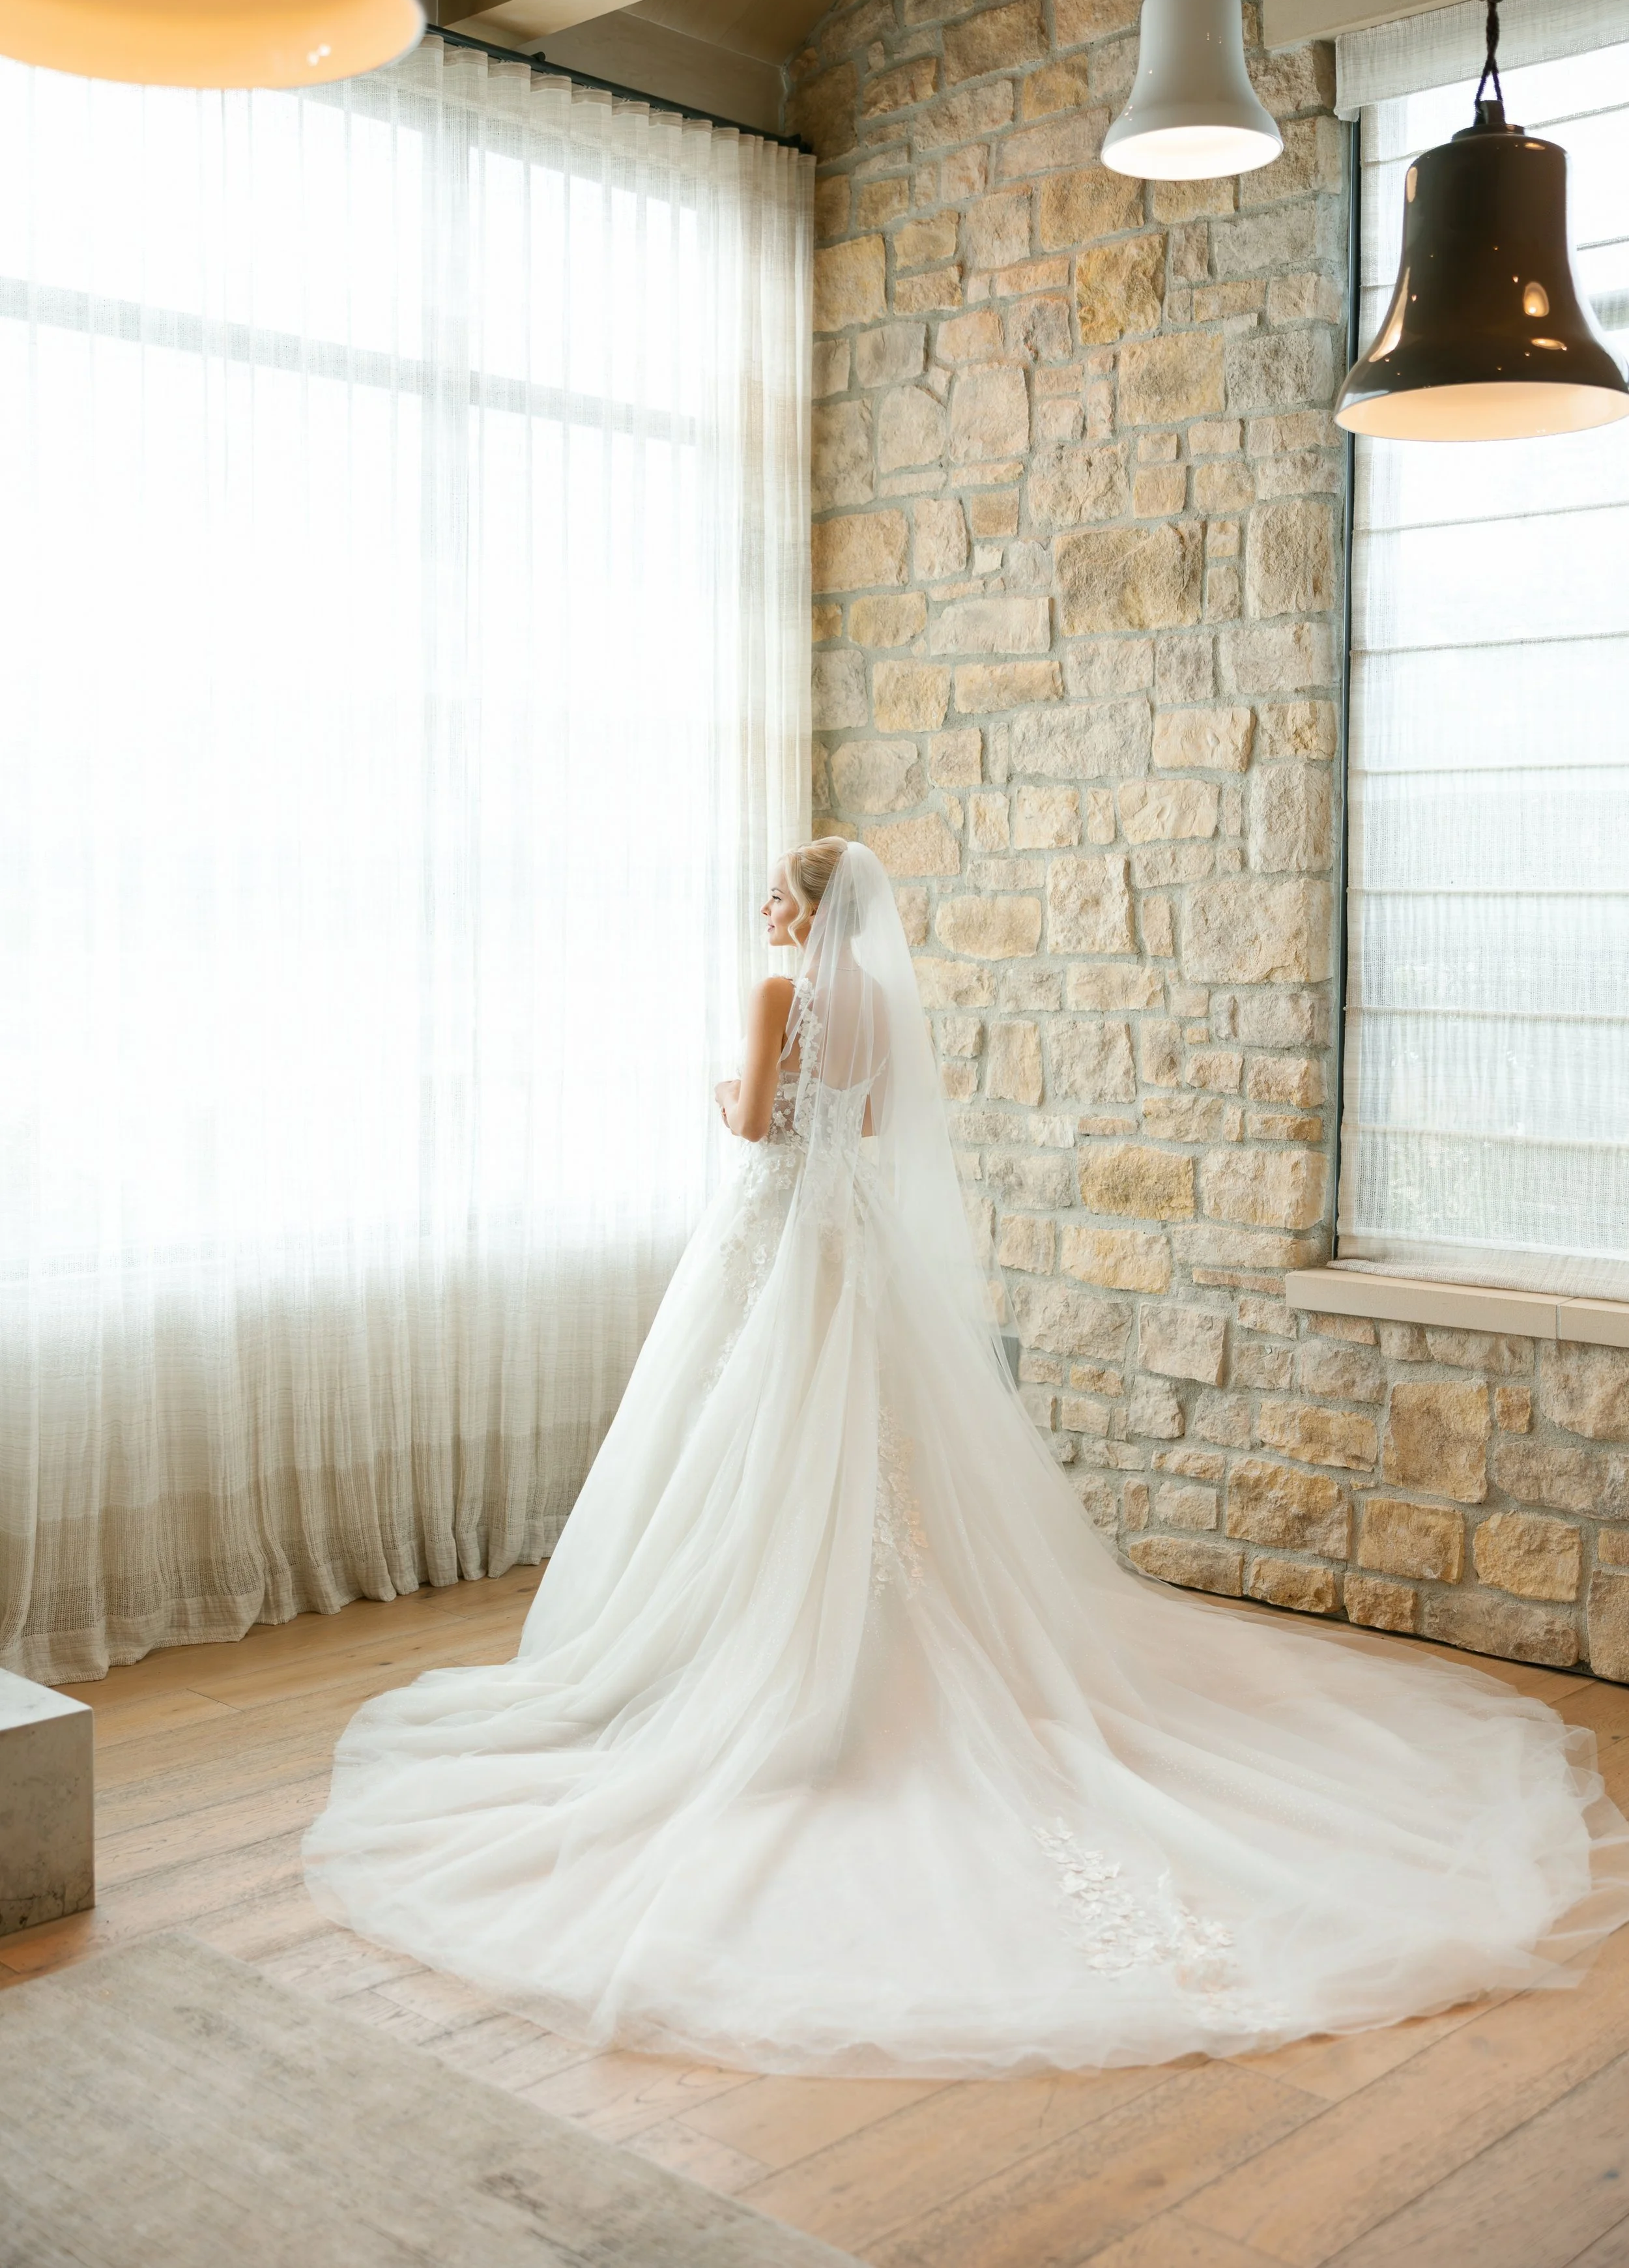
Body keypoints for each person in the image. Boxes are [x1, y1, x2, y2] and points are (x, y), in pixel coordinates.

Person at [304, 838, 1629, 2076]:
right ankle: (854, 1640)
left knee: (758, 1446)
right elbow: (867, 1132)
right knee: (861, 1449)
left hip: (776, 1244)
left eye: (779, 897)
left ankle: (755, 1653)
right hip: (853, 1248)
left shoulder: (777, 994)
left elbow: (757, 1126)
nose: (768, 916)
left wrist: (721, 1087)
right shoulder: (878, 1004)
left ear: (806, 912)